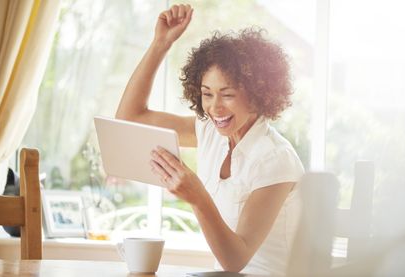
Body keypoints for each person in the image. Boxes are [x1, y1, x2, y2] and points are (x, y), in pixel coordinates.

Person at [116, 4, 304, 276]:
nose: (215, 108)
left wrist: (197, 196)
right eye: (207, 94)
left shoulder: (275, 159)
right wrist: (160, 44)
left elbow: (235, 260)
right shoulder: (210, 133)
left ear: (258, 93)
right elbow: (129, 119)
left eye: (227, 94)